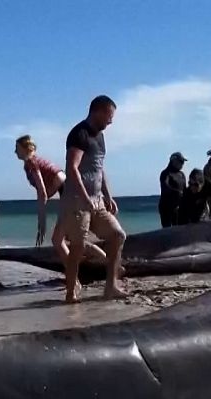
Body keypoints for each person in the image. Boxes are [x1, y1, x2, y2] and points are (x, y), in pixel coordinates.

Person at [60, 95, 127, 303]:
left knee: (117, 235)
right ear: (98, 111)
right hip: (77, 200)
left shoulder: (100, 136)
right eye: (109, 115)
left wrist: (108, 195)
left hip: (97, 200)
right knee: (78, 246)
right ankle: (70, 292)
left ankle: (111, 286)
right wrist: (84, 197)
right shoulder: (79, 134)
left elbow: (99, 168)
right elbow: (72, 168)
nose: (111, 121)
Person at [15, 134, 106, 265]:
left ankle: (97, 265)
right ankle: (84, 266)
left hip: (69, 191)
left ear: (25, 148)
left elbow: (43, 192)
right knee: (68, 237)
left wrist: (42, 221)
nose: (15, 151)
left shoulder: (31, 163)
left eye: (17, 148)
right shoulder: (30, 164)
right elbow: (43, 191)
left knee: (59, 239)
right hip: (68, 190)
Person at [158, 152, 186, 227]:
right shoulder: (166, 173)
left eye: (183, 162)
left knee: (179, 229)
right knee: (167, 230)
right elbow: (165, 187)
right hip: (166, 207)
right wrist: (178, 192)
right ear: (173, 161)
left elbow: (185, 189)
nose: (182, 164)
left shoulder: (182, 174)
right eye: (181, 161)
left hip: (178, 207)